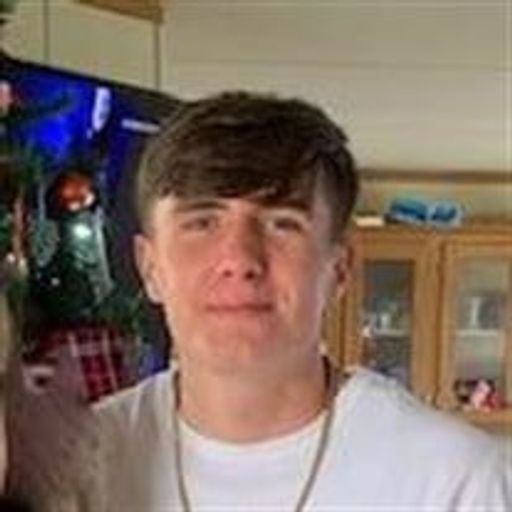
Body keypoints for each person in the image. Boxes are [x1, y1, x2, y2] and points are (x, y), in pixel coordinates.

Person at [96, 91, 511, 511]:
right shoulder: (82, 465)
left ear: (340, 268)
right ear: (149, 267)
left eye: (282, 223)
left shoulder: (455, 481)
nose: (239, 260)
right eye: (202, 223)